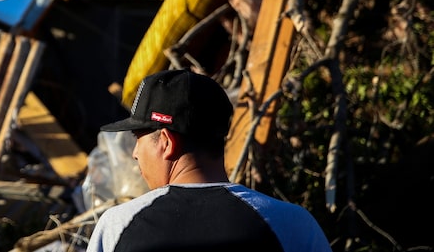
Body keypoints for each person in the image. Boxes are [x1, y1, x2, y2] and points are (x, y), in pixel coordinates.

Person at [86, 69, 332, 252]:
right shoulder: (292, 225)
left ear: (166, 142)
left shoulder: (117, 228)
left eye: (137, 138)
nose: (135, 153)